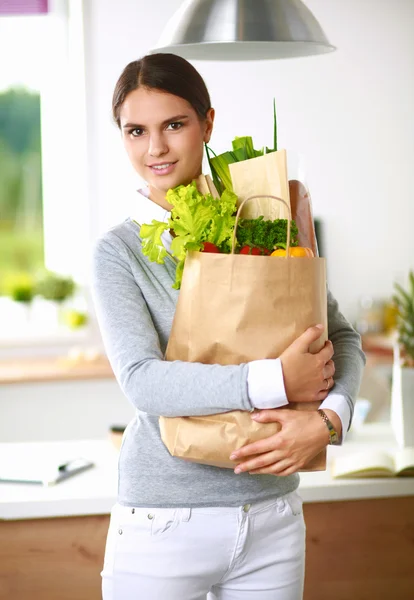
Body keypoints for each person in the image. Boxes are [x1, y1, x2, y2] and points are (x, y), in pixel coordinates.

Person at [91, 53, 365, 600]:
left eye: (174, 124)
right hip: (164, 521)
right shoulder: (119, 251)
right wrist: (276, 381)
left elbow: (342, 336)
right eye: (135, 131)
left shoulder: (265, 218)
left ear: (207, 123)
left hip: (273, 514)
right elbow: (143, 381)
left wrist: (330, 419)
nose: (156, 149)